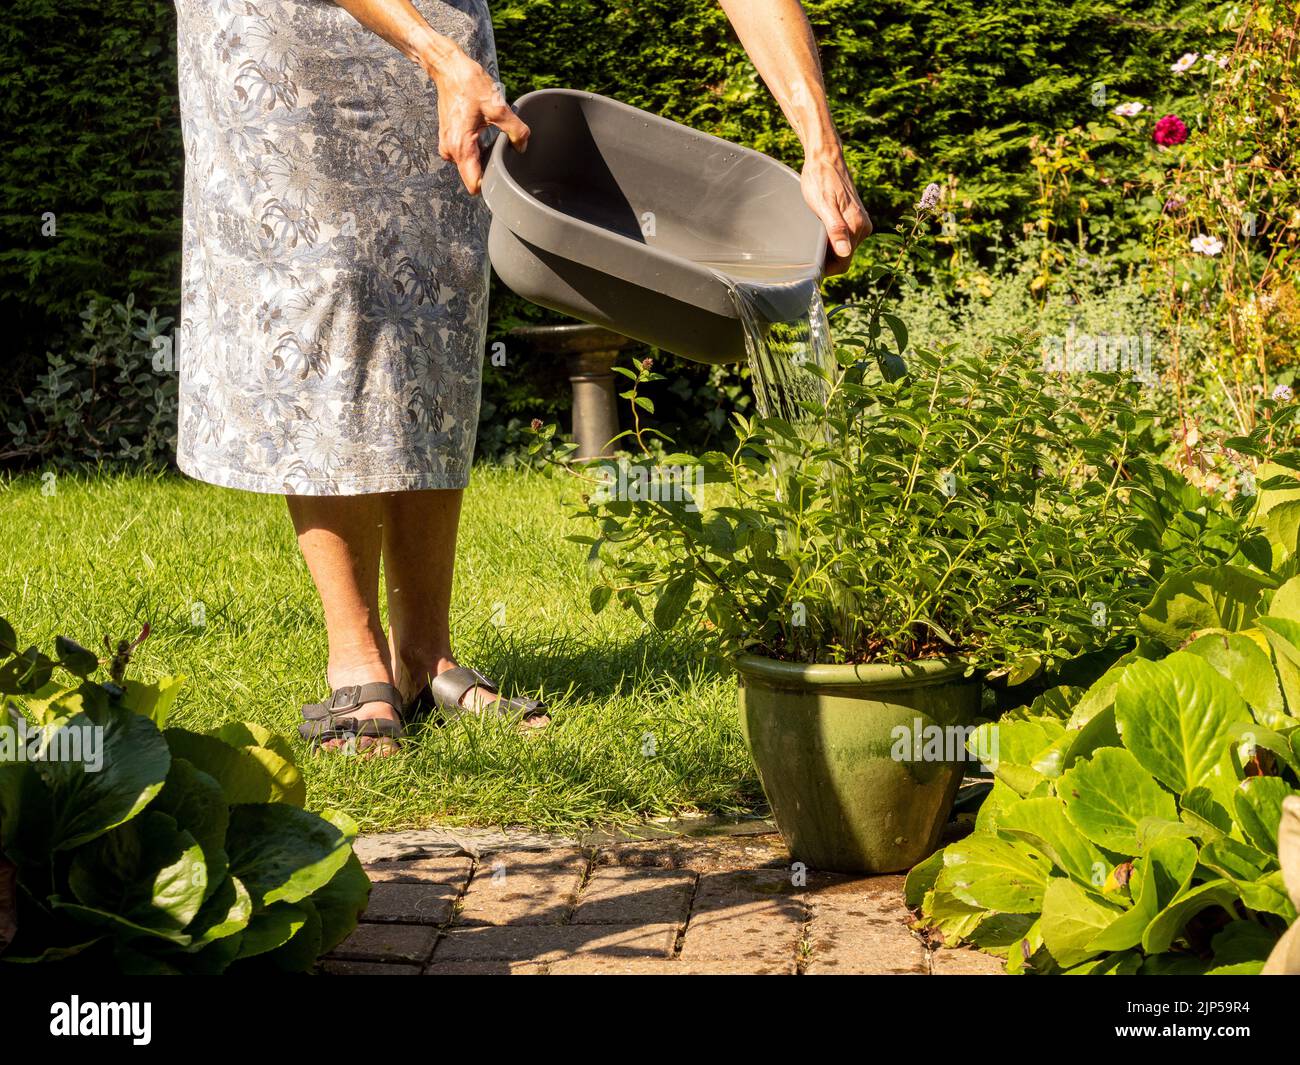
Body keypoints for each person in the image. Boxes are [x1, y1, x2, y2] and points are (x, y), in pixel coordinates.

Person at [171, 0, 871, 755]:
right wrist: (436, 55)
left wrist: (820, 146)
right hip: (285, 38)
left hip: (443, 36)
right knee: (327, 288)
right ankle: (356, 657)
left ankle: (424, 657)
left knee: (433, 302)